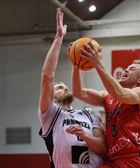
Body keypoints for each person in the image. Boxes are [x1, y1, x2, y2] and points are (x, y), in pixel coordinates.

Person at [38, 8, 106, 168]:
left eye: (64, 85)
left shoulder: (90, 114)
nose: (63, 86)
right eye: (58, 87)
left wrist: (85, 136)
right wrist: (59, 38)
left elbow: (103, 150)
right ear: (51, 97)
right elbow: (47, 76)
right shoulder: (50, 115)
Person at [71, 41, 140, 167]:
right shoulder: (107, 96)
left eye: (132, 69)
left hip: (132, 158)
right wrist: (76, 64)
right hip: (112, 159)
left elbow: (119, 94)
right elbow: (79, 93)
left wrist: (97, 63)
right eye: (127, 67)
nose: (126, 69)